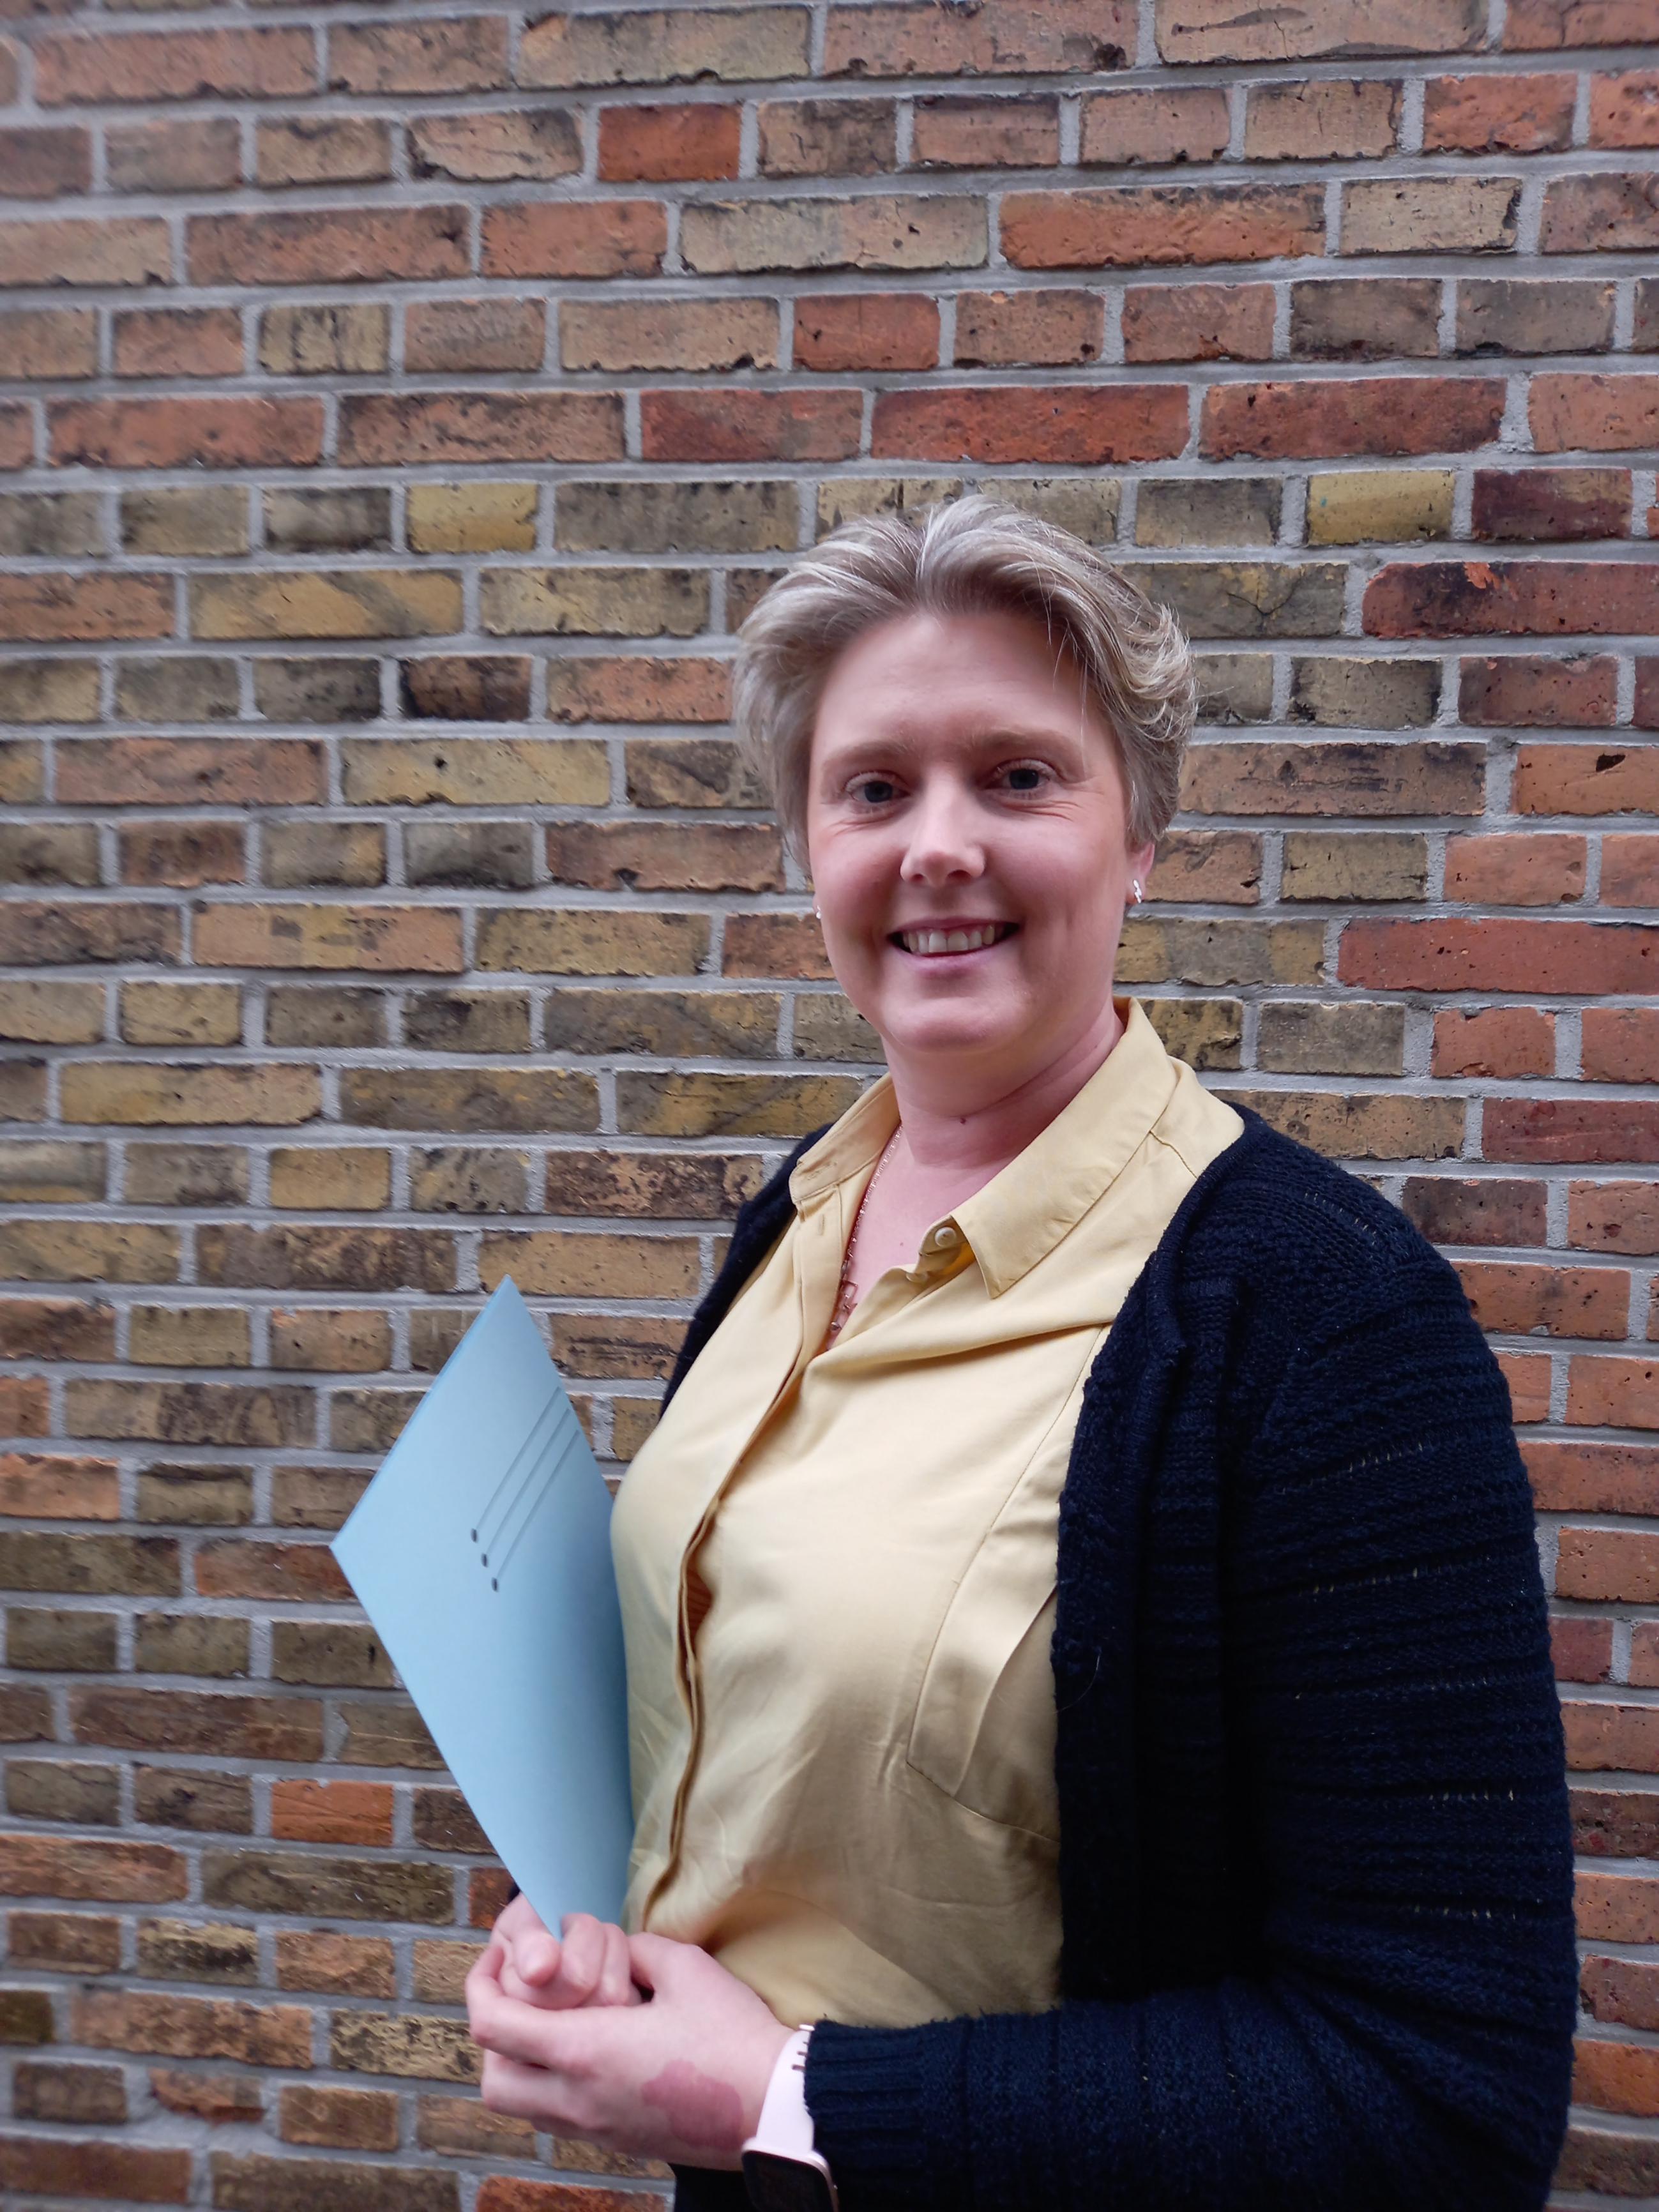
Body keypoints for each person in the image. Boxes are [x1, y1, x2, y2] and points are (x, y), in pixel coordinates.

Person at [466, 496, 1577, 2209]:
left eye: (1018, 776)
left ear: (1141, 836)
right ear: (808, 844)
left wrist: (786, 2096)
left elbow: (1444, 2097)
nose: (937, 845)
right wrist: (603, 1940)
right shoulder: (798, 1221)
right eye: (872, 789)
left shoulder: (1323, 1321)